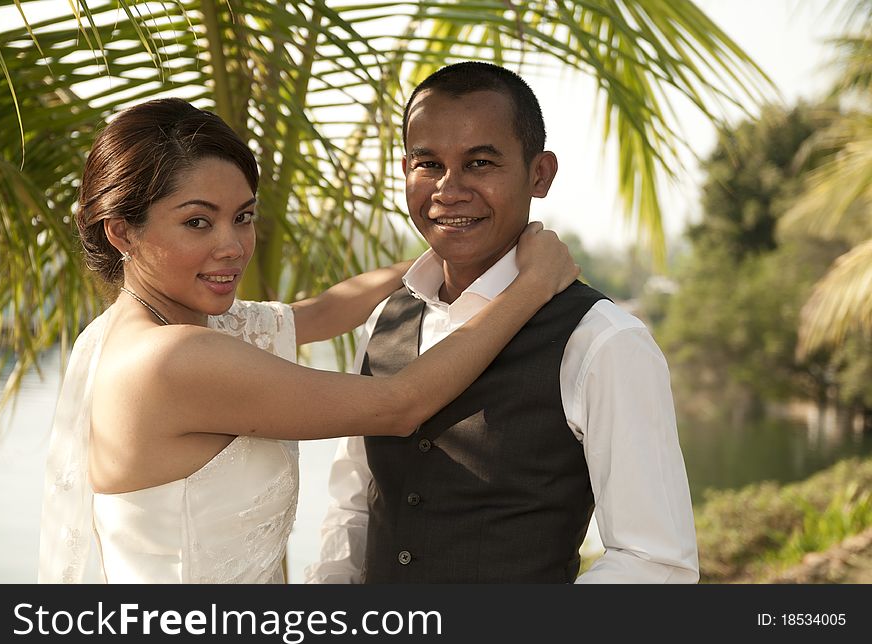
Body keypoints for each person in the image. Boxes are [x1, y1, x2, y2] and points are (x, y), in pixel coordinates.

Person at [36, 97, 578, 584]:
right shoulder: (173, 358)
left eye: (242, 217)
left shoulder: (144, 330)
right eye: (198, 223)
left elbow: (326, 310)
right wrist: (530, 285)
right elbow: (398, 406)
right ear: (122, 231)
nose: (233, 247)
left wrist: (456, 252)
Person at [306, 62, 699, 584]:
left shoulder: (603, 340)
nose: (449, 189)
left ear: (540, 174)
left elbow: (654, 561)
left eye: (481, 163)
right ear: (405, 170)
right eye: (428, 163)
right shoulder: (384, 319)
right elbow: (353, 506)